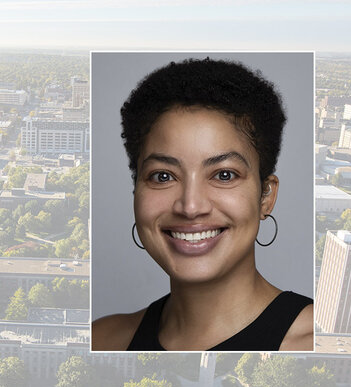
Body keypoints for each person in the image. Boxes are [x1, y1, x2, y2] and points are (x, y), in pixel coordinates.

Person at [92, 58, 312, 351]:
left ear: (266, 196)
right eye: (163, 176)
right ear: (136, 193)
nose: (191, 206)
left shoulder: (316, 347)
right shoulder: (103, 341)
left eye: (224, 175)